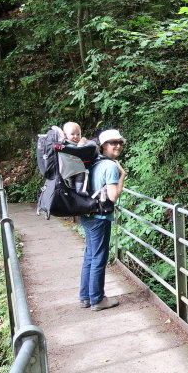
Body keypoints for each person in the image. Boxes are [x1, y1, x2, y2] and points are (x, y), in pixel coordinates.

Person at [79, 129, 126, 311]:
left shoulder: (94, 162)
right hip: (99, 217)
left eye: (120, 142)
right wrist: (122, 176)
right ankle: (97, 299)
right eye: (113, 142)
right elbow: (113, 196)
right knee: (99, 258)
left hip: (87, 214)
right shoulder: (111, 166)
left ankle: (86, 298)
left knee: (90, 256)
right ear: (104, 145)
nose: (118, 145)